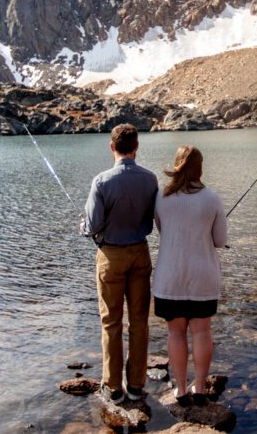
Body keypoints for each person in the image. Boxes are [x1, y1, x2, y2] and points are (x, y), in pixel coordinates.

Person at [81, 123, 159, 404]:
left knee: (111, 322)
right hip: (140, 253)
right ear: (136, 147)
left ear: (112, 147)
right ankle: (136, 385)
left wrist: (83, 226)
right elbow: (154, 215)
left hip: (110, 257)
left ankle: (113, 387)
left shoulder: (101, 181)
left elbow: (91, 226)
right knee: (139, 321)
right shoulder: (150, 180)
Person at [152, 145, 228, 404]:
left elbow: (163, 231)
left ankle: (181, 390)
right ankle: (200, 389)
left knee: (175, 333)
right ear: (200, 166)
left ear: (177, 164)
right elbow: (219, 241)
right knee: (202, 331)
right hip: (203, 275)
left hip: (169, 276)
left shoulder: (161, 197)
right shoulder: (213, 198)